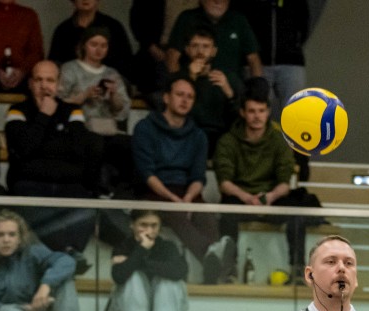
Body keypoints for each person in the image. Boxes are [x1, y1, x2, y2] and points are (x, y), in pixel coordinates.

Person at [132, 75, 234, 283]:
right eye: (180, 95)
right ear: (167, 98)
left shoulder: (198, 135)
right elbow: (147, 174)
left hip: (188, 191)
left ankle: (214, 276)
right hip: (153, 192)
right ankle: (211, 254)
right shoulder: (145, 127)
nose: (185, 100)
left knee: (206, 216)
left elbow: (198, 176)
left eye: (190, 96)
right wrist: (174, 200)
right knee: (176, 214)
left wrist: (187, 198)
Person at [215, 88, 321, 281]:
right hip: (240, 197)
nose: (257, 116)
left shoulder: (279, 140)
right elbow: (224, 182)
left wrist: (269, 197)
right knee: (227, 211)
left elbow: (285, 182)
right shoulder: (228, 141)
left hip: (270, 197)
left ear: (268, 112)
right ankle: (228, 270)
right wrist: (247, 197)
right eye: (252, 111)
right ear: (243, 113)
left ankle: (297, 270)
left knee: (296, 211)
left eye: (261, 111)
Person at [5, 59, 109, 253]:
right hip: (31, 184)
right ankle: (67, 254)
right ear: (30, 84)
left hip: (67, 183)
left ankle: (71, 252)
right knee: (27, 198)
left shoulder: (72, 111)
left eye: (50, 80)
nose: (44, 85)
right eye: (38, 80)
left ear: (58, 84)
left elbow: (79, 150)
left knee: (87, 203)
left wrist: (39, 146)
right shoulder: (17, 110)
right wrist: (44, 115)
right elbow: (24, 149)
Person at [106, 208, 190, 311]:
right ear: (132, 225)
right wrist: (141, 249)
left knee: (169, 282)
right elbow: (119, 276)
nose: (149, 231)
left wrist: (137, 262)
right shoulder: (123, 246)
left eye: (154, 226)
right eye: (143, 225)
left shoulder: (167, 247)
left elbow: (180, 272)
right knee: (134, 276)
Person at [59, 25, 135, 192]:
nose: (98, 50)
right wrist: (84, 95)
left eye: (103, 45)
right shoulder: (70, 68)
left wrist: (113, 95)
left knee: (132, 144)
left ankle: (123, 192)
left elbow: (122, 111)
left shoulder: (112, 73)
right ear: (84, 45)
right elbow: (59, 101)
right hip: (79, 128)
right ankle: (91, 190)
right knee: (95, 144)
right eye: (94, 44)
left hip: (107, 128)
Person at [237, 0, 310, 111]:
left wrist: (293, 45)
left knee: (295, 112)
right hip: (257, 63)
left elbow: (304, 22)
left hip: (291, 62)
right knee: (258, 112)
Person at [177, 25, 239, 153]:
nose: (200, 51)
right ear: (187, 50)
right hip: (187, 136)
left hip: (220, 139)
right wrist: (191, 78)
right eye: (195, 46)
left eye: (205, 46)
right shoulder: (178, 79)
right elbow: (175, 113)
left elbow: (241, 119)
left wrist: (229, 93)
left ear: (213, 51)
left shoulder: (228, 78)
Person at [166, 0, 261, 83]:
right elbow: (172, 58)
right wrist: (180, 86)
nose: (218, 1)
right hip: (194, 91)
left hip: (231, 92)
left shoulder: (239, 20)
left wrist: (258, 90)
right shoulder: (187, 18)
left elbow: (254, 59)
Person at [50, 0, 136, 85]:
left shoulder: (114, 27)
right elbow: (54, 66)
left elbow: (127, 67)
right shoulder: (62, 31)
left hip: (108, 87)